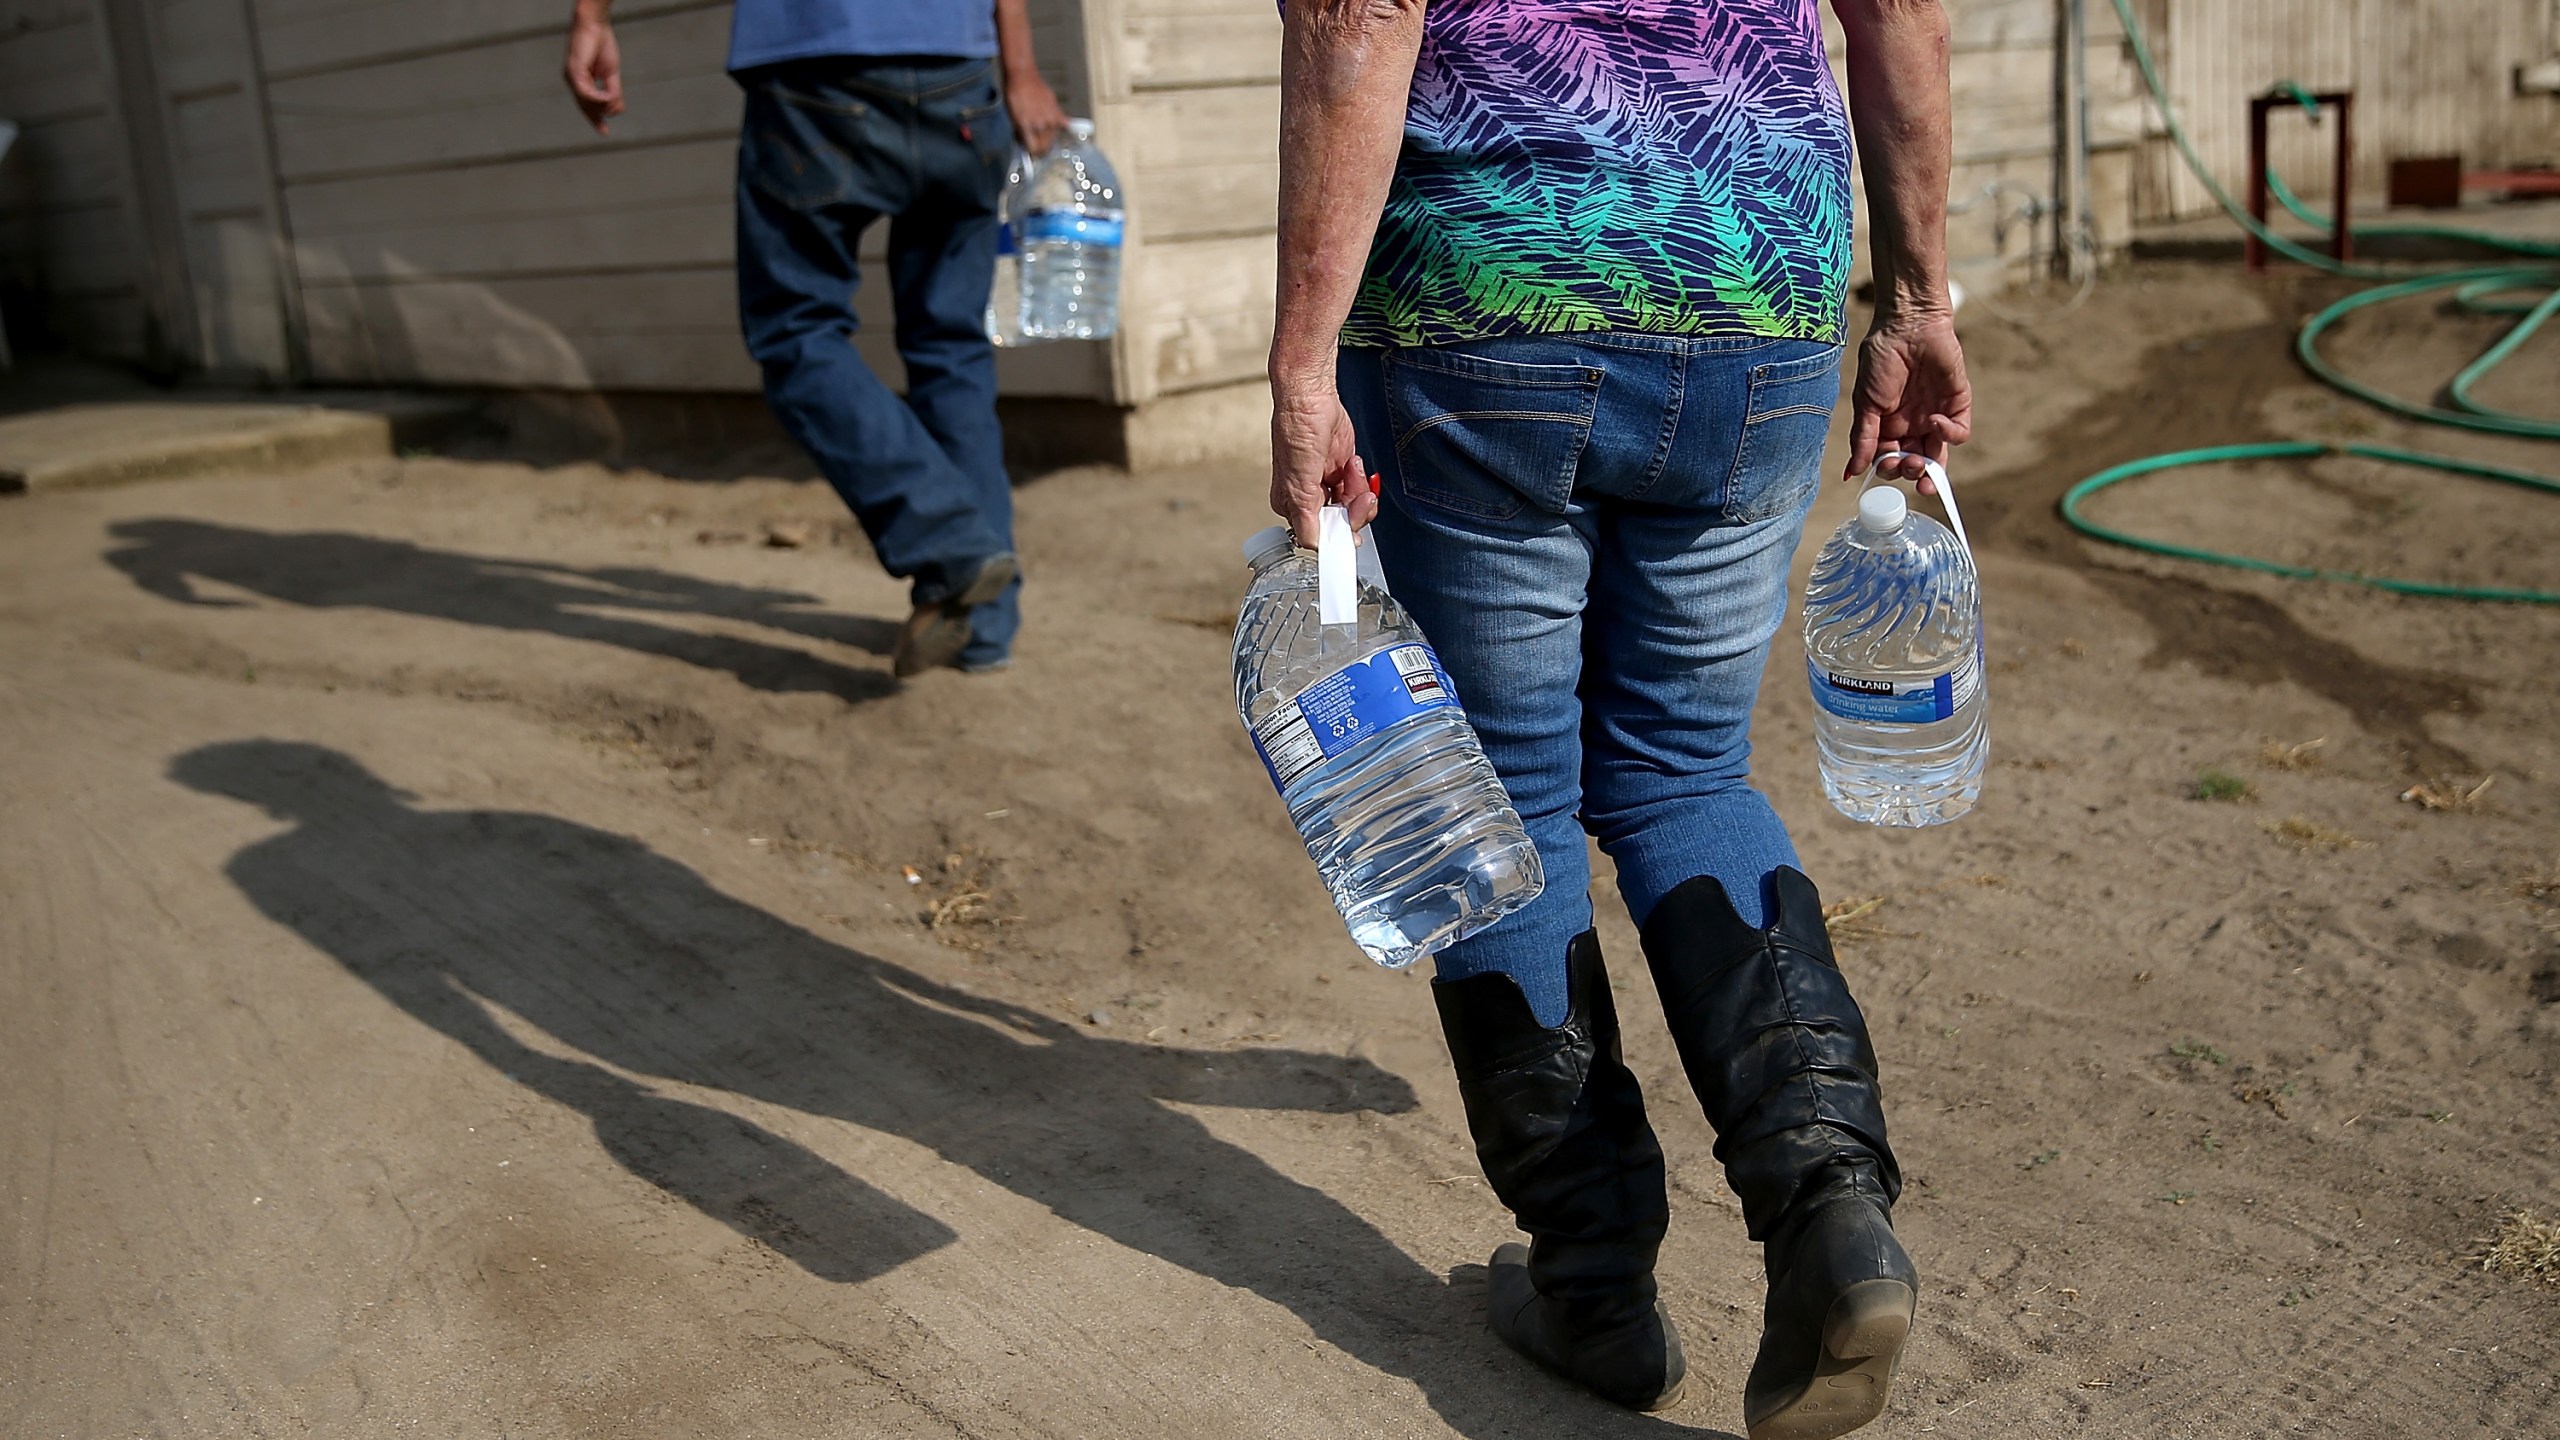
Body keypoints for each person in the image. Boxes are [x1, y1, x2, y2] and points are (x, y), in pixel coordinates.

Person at [1268, 2, 1972, 1437]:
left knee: (1507, 799)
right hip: (1755, 287)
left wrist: (1299, 362)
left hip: (1496, 300)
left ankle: (1594, 1289)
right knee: (1685, 772)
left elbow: (1362, 14)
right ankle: (1831, 1209)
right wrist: (1917, 298)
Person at [565, 0, 1069, 677]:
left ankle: (949, 543)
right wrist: (1023, 70)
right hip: (960, 71)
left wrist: (592, 18)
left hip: (817, 69)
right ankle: (983, 625)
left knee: (794, 327)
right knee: (951, 346)